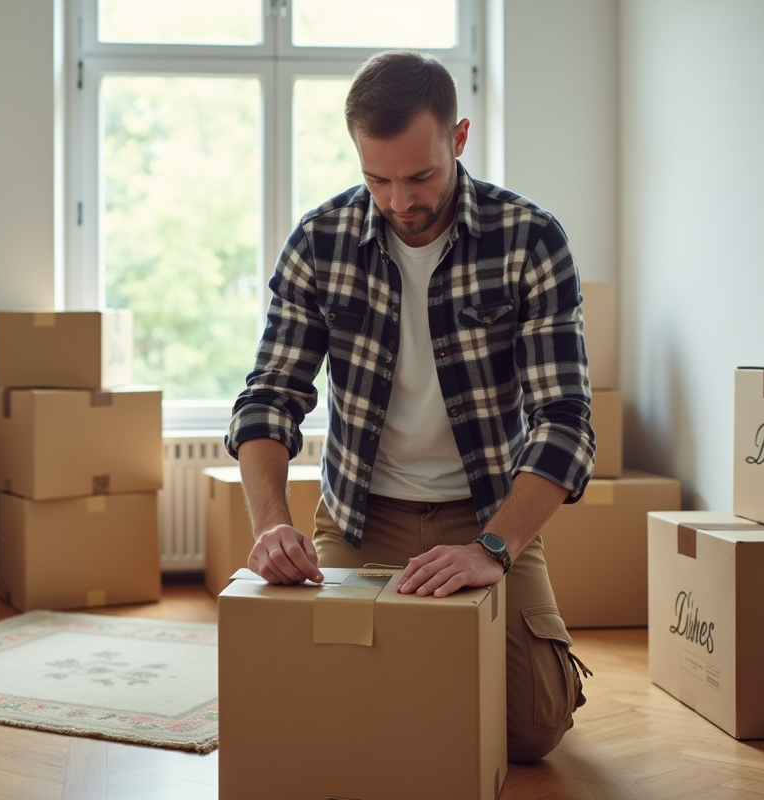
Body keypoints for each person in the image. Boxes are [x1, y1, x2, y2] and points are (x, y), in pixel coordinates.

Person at [224, 49, 595, 762]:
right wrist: (271, 525)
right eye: (377, 179)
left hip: (485, 511)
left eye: (420, 176)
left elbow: (566, 425)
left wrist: (495, 547)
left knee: (534, 730)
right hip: (362, 516)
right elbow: (270, 398)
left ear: (457, 139)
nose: (400, 202)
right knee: (328, 713)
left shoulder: (530, 239)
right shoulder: (320, 243)